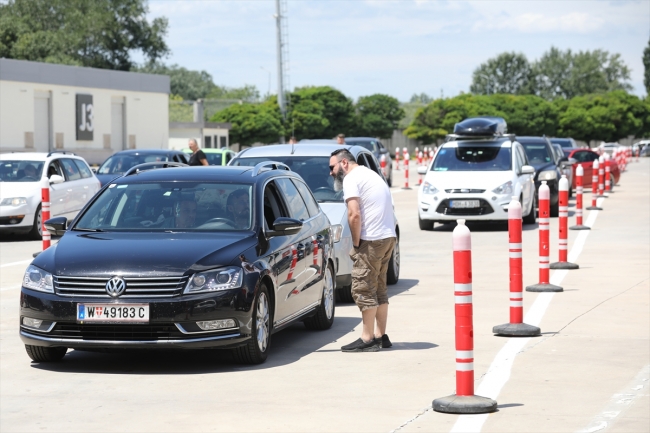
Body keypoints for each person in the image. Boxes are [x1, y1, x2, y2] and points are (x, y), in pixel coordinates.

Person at [329, 148, 396, 352]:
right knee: (379, 288)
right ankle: (380, 335)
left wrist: (356, 244)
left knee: (363, 288)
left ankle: (367, 339)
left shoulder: (351, 178)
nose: (331, 172)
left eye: (332, 167)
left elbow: (354, 214)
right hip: (387, 237)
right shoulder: (371, 174)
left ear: (344, 163)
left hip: (372, 240)